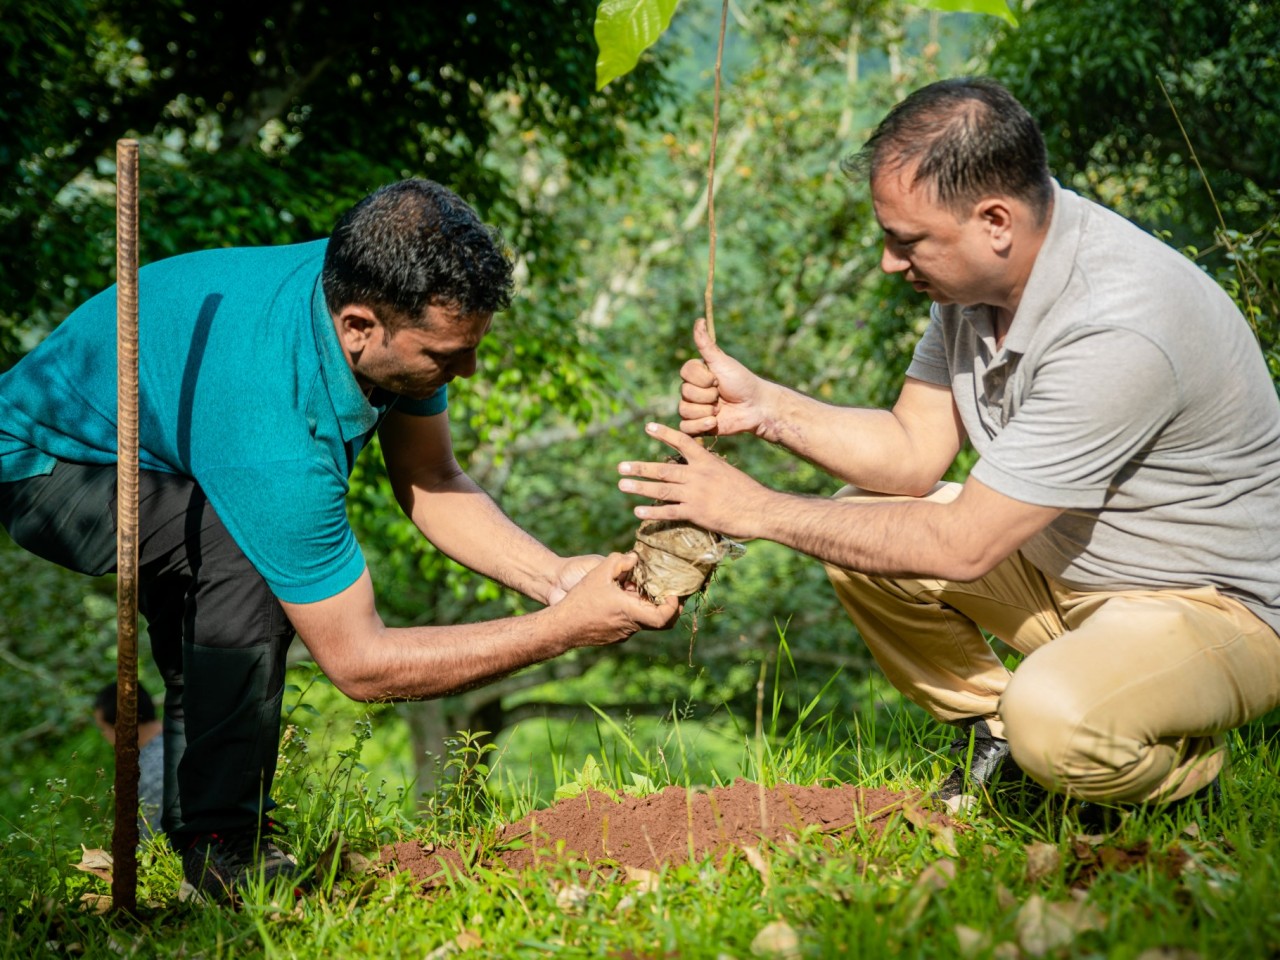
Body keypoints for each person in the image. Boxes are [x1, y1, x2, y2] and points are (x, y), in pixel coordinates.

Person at [0, 178, 678, 900]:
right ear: (358, 327)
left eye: (470, 348)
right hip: (49, 463)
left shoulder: (387, 293)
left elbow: (431, 477)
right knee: (245, 566)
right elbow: (361, 665)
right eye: (447, 357)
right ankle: (223, 847)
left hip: (186, 433)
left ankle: (202, 823)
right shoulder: (276, 433)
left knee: (230, 564)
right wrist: (562, 630)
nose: (468, 371)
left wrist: (555, 580)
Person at [618, 77, 1280, 814]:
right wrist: (767, 409)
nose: (889, 264)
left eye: (907, 242)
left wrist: (759, 511)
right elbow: (910, 454)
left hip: (1211, 612)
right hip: (1064, 577)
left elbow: (963, 546)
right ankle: (999, 740)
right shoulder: (979, 290)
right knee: (862, 523)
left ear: (995, 220)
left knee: (1056, 718)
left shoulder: (1117, 327)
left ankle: (1175, 786)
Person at [93, 680, 165, 839]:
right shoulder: (186, 736)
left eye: (104, 729)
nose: (105, 737)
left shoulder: (147, 772)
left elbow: (151, 845)